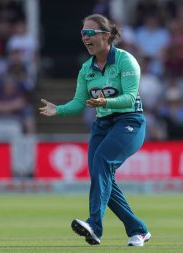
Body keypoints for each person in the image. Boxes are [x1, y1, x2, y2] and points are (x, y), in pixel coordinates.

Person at [39, 14, 151, 247]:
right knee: (101, 177)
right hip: (102, 126)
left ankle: (94, 225)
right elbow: (79, 103)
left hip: (129, 122)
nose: (85, 38)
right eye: (83, 34)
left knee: (102, 162)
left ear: (106, 35)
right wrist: (57, 109)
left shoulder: (125, 61)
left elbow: (130, 98)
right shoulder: (86, 69)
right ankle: (138, 230)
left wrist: (105, 103)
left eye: (90, 33)